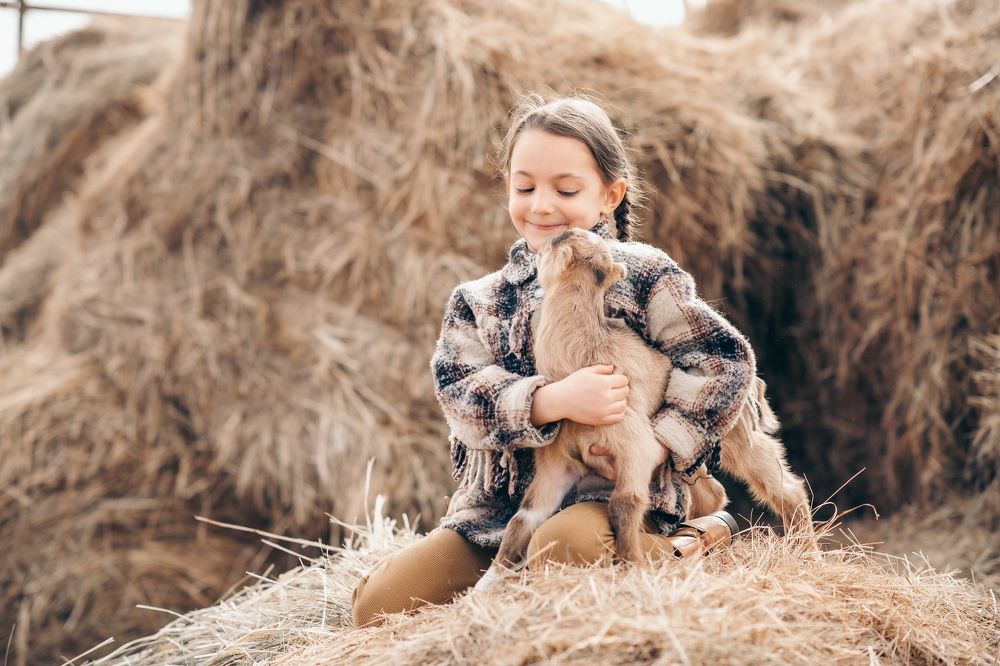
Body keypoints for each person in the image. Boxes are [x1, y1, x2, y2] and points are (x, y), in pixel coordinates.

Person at [352, 93, 756, 628]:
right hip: (504, 511)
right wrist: (547, 401)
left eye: (566, 190)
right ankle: (506, 572)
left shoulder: (643, 277)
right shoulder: (479, 300)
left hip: (624, 500)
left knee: (562, 549)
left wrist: (657, 444)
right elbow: (458, 393)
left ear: (610, 196)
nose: (541, 206)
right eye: (524, 187)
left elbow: (722, 362)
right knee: (380, 606)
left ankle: (692, 542)